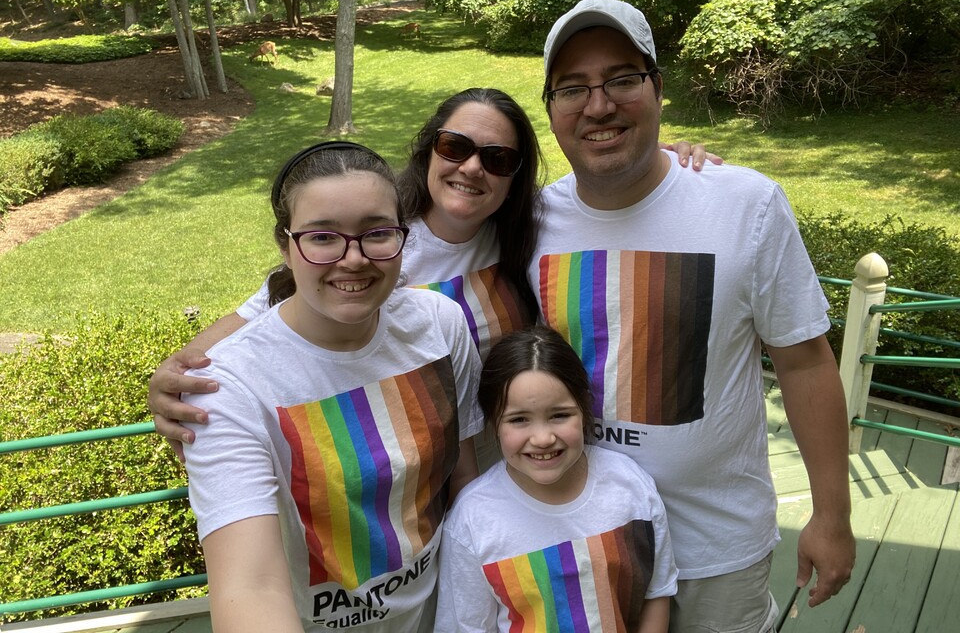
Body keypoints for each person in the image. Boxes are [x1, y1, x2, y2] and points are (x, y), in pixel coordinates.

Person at [148, 89, 719, 460]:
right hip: (406, 475)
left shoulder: (534, 232)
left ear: (514, 177)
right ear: (429, 151)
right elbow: (259, 315)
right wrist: (172, 376)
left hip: (517, 465)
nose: (472, 167)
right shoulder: (373, 245)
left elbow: (617, 202)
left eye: (497, 159)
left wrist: (658, 157)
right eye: (456, 146)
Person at [531, 0, 855, 632]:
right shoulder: (533, 223)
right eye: (573, 88)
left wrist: (832, 515)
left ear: (657, 88)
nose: (598, 105)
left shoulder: (745, 204)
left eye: (623, 79)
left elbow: (805, 360)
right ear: (552, 109)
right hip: (581, 538)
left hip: (718, 548)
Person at [180, 141, 483, 632]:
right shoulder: (229, 385)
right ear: (286, 245)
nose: (354, 258)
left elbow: (462, 477)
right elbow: (249, 584)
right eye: (323, 237)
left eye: (377, 233)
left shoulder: (440, 326)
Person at [435, 325, 678, 632]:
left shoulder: (630, 485)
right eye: (519, 419)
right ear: (493, 423)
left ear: (584, 408)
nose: (543, 438)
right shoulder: (472, 520)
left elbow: (657, 593)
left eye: (560, 415)